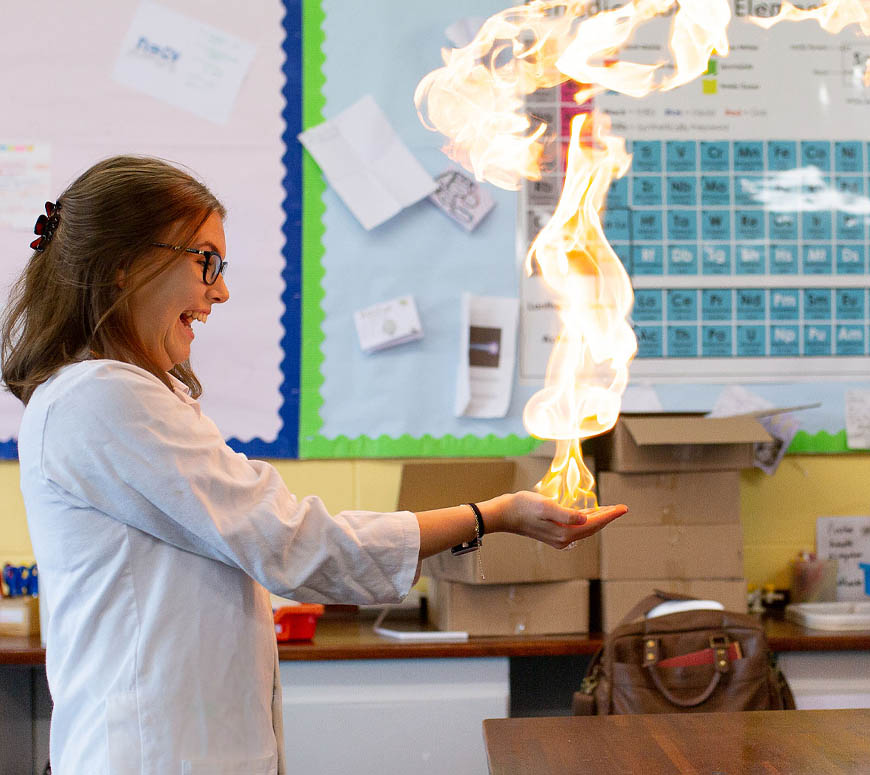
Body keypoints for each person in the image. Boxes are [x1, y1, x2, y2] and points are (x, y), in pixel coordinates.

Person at [1, 155, 625, 774]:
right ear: (123, 267)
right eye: (205, 261)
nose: (220, 289)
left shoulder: (128, 395)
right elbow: (291, 543)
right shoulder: (104, 398)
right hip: (149, 755)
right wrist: (491, 516)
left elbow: (271, 537)